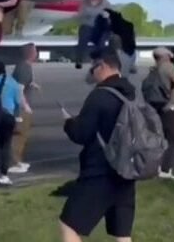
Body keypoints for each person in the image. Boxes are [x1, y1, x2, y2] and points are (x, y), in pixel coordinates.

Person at [59, 47, 136, 242]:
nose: (92, 72)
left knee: (69, 225)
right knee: (122, 234)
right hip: (126, 171)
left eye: (93, 67)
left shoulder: (99, 96)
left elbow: (81, 134)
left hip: (100, 172)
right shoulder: (130, 95)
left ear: (103, 66)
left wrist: (69, 123)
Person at [147, 47, 174, 179]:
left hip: (158, 106)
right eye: (169, 56)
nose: (171, 58)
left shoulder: (154, 69)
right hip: (171, 106)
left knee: (162, 137)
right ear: (164, 57)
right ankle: (165, 169)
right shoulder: (168, 67)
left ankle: (157, 166)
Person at [10, 43, 40, 174]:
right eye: (35, 51)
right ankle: (14, 162)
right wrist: (25, 106)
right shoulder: (24, 68)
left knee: (22, 135)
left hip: (19, 106)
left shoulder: (24, 66)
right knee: (19, 135)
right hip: (19, 108)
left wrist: (32, 84)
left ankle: (17, 160)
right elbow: (19, 89)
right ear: (30, 53)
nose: (37, 53)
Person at [74, 0, 111, 69]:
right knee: (85, 33)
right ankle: (79, 59)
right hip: (87, 26)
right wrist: (92, 12)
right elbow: (79, 15)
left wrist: (105, 16)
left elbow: (110, 17)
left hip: (100, 28)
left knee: (102, 37)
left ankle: (98, 60)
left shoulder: (105, 3)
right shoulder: (84, 2)